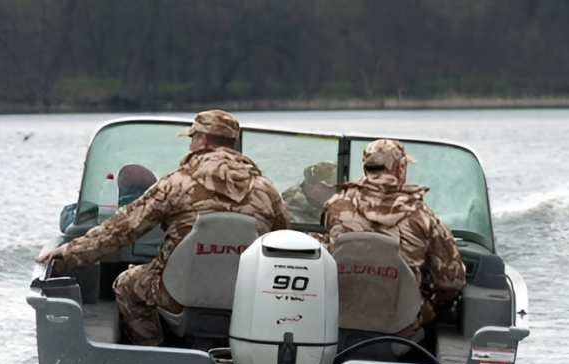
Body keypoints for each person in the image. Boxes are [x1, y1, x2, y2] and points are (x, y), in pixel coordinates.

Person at [36, 110, 289, 346]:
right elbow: (283, 242)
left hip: (176, 294)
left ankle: (156, 356)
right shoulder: (267, 190)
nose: (190, 145)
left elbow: (120, 230)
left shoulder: (178, 183)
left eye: (192, 138)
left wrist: (67, 255)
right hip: (246, 298)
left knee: (125, 285)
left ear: (202, 140)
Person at [321, 139, 465, 332]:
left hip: (338, 318)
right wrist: (431, 299)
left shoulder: (335, 207)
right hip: (399, 327)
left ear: (366, 170)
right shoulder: (422, 216)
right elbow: (450, 282)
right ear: (400, 169)